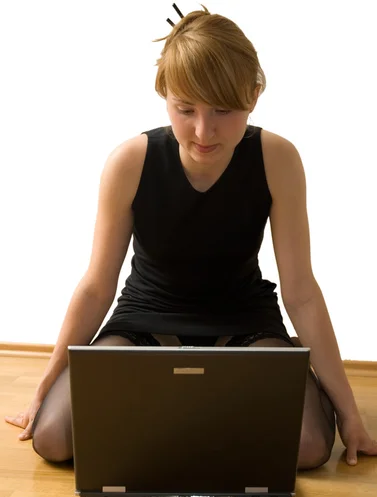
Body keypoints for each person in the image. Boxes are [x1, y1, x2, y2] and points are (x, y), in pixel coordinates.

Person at [5, 4, 377, 468]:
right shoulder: (130, 161)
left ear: (254, 95)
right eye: (186, 110)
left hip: (245, 324)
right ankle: (198, 417)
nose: (204, 131)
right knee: (54, 439)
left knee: (309, 448)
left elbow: (301, 292)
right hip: (144, 322)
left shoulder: (278, 159)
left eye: (224, 109)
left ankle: (197, 414)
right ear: (164, 96)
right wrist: (42, 390)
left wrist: (349, 416)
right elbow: (96, 285)